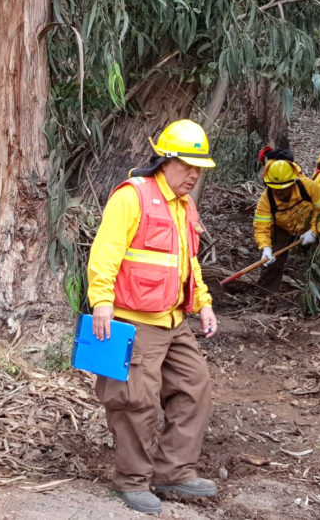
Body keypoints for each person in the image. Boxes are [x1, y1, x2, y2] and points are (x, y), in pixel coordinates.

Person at [87, 119, 219, 514]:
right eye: (188, 166)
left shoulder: (184, 204)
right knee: (134, 401)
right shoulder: (133, 196)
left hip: (172, 320)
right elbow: (105, 252)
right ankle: (131, 481)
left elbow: (187, 262)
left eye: (200, 169)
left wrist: (204, 302)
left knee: (195, 386)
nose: (194, 175)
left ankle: (174, 470)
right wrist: (101, 301)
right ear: (166, 160)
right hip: (132, 319)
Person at [253, 156, 320, 292]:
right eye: (276, 189)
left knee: (317, 258)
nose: (281, 193)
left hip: (308, 224)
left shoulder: (308, 186)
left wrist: (314, 230)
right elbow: (261, 228)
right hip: (282, 228)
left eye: (284, 189)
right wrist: (265, 248)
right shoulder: (266, 201)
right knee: (273, 262)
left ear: (293, 182)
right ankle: (264, 295)